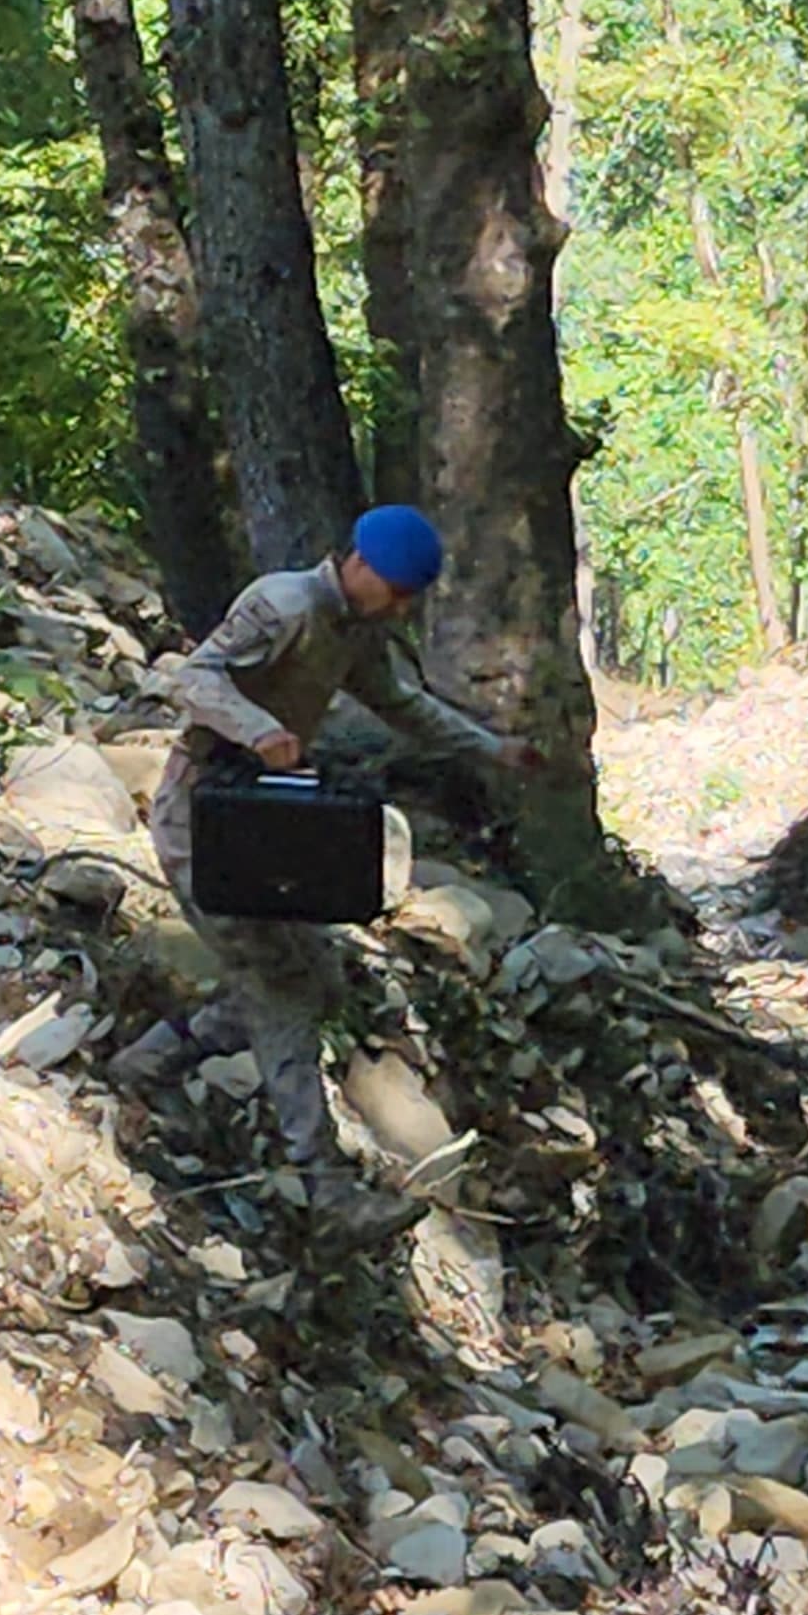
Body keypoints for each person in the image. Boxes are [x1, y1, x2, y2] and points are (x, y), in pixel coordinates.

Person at [153, 504, 530, 1234]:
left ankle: (150, 1064)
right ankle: (324, 1188)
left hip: (263, 825)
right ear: (359, 564)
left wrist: (491, 748)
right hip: (201, 816)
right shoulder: (282, 603)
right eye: (395, 589)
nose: (402, 606)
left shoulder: (357, 632)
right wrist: (257, 729)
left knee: (316, 980)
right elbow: (193, 678)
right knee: (278, 991)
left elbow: (398, 702)